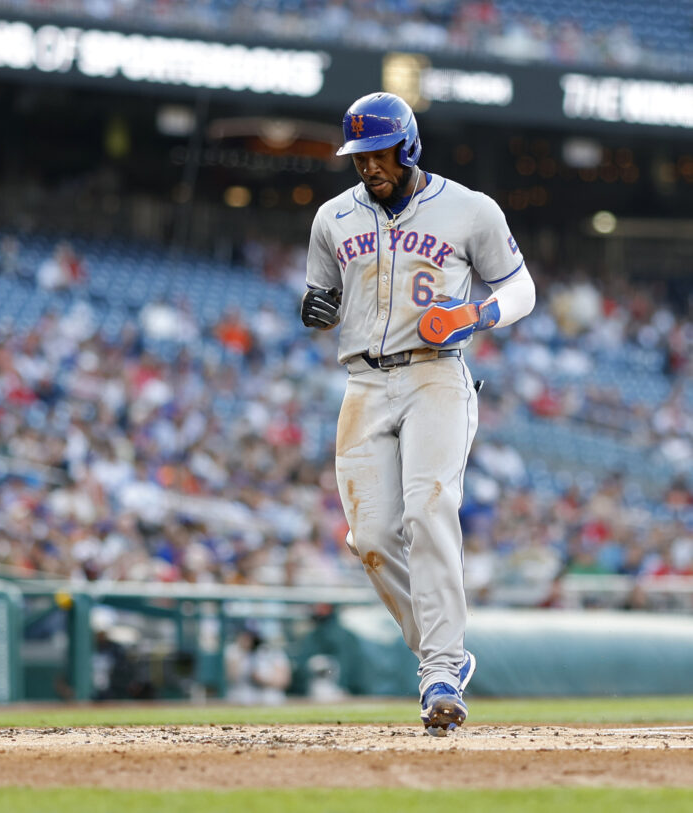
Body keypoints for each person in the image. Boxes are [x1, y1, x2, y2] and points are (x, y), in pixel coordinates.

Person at [301, 92, 536, 736]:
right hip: (363, 383)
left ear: (406, 148)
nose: (368, 167)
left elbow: (520, 286)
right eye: (359, 156)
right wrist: (314, 307)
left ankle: (438, 668)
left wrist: (478, 313)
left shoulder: (468, 209)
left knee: (428, 509)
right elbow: (320, 293)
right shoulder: (332, 218)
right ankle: (445, 656)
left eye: (378, 154)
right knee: (371, 539)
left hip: (437, 375)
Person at [223, 625, 290, 706]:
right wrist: (243, 652)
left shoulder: (271, 651)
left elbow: (283, 681)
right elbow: (230, 677)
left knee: (271, 697)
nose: (249, 640)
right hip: (242, 695)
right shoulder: (233, 651)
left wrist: (263, 679)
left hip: (268, 695)